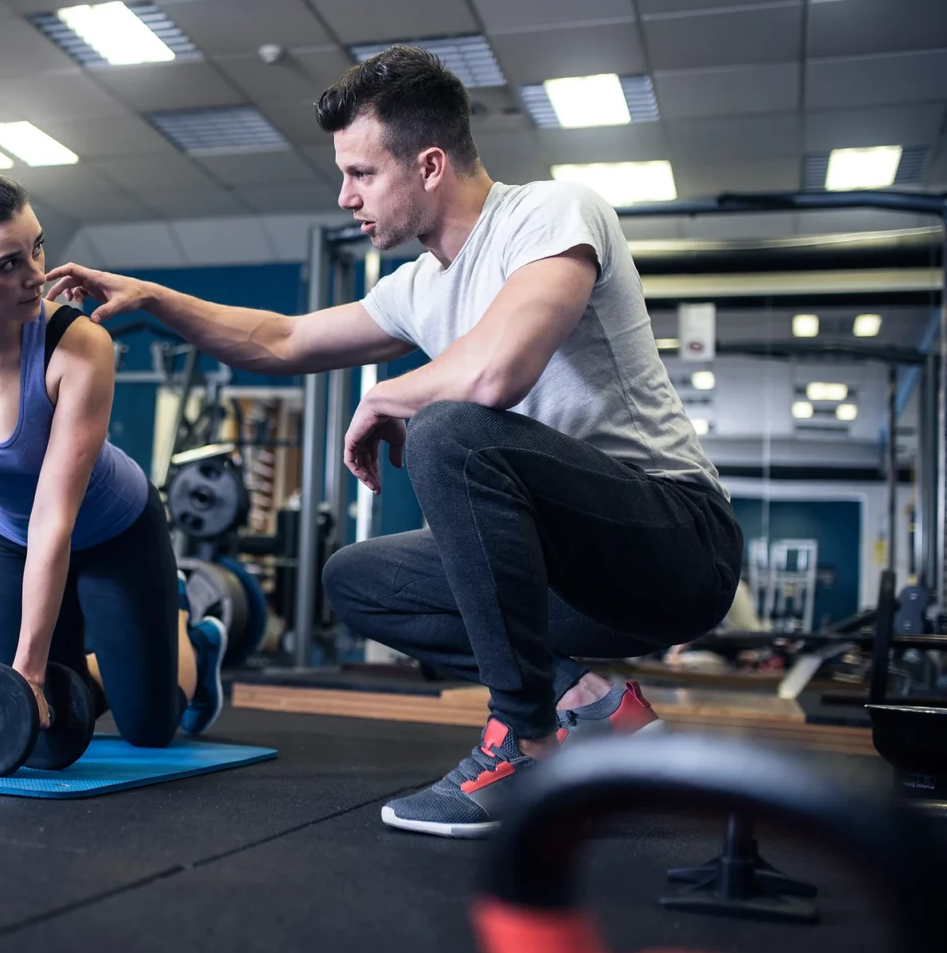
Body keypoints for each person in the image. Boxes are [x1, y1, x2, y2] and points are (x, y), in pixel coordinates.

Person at [46, 46, 743, 837]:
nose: (345, 196)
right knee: (361, 578)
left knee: (452, 428)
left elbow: (495, 374)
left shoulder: (551, 215)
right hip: (569, 578)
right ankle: (586, 702)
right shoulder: (417, 286)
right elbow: (280, 339)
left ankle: (523, 739)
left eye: (362, 174)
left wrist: (388, 393)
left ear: (431, 164)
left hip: (676, 548)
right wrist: (154, 298)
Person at [0, 169, 228, 750]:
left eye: (36, 246)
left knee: (148, 727)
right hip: (9, 538)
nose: (37, 275)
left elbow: (53, 517)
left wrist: (29, 675)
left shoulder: (79, 345)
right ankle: (110, 665)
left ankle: (193, 634)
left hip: (115, 529)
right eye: (7, 264)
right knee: (45, 738)